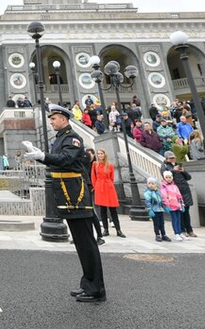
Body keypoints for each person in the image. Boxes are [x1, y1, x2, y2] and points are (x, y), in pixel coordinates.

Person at [22, 105, 106, 303]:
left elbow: (66, 159)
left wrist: (43, 156)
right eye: (50, 119)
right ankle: (88, 284)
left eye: (54, 119)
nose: (51, 122)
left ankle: (96, 290)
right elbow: (57, 161)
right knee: (80, 244)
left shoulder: (72, 138)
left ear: (64, 119)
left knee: (87, 244)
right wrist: (42, 156)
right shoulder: (60, 138)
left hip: (76, 196)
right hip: (68, 196)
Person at [161, 151, 197, 237]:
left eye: (173, 157)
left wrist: (183, 171)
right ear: (167, 159)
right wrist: (173, 170)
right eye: (171, 158)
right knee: (179, 211)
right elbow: (166, 177)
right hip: (175, 191)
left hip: (185, 190)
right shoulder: (165, 166)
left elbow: (188, 177)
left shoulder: (178, 165)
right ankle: (182, 230)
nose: (173, 159)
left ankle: (190, 230)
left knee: (186, 212)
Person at [91, 148, 125, 238]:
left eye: (102, 153)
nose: (100, 155)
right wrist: (96, 186)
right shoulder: (95, 164)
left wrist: (108, 184)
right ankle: (106, 229)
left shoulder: (110, 165)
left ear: (104, 155)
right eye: (98, 154)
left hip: (109, 187)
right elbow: (93, 177)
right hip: (100, 187)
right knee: (103, 210)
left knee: (113, 209)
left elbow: (112, 177)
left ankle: (118, 230)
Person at [160, 171, 186, 240]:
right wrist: (167, 206)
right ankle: (176, 233)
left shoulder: (175, 186)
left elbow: (179, 196)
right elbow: (164, 197)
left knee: (178, 219)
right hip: (171, 206)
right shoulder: (164, 187)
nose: (168, 179)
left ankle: (180, 232)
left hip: (177, 205)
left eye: (170, 177)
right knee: (174, 219)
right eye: (167, 177)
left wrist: (182, 204)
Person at [144, 177, 169, 242]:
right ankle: (157, 234)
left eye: (152, 183)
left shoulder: (157, 192)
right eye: (149, 183)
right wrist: (150, 209)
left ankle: (163, 234)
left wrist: (165, 207)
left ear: (155, 184)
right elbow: (148, 202)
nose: (151, 185)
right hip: (154, 210)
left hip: (160, 210)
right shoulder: (148, 193)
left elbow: (161, 200)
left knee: (162, 223)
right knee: (156, 223)